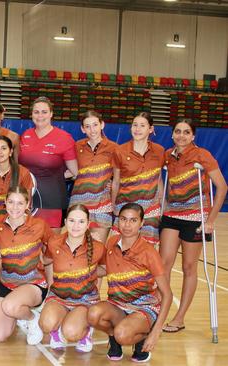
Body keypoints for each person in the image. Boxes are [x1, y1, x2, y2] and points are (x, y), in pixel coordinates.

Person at [159, 118, 227, 333]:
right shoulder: (168, 155)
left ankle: (179, 318)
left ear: (193, 136)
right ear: (172, 134)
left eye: (186, 132)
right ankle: (160, 309)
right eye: (177, 131)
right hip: (171, 215)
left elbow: (222, 187)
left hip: (196, 217)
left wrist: (210, 221)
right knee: (164, 264)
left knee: (189, 267)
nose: (181, 135)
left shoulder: (202, 155)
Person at [87, 203, 173, 362]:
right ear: (117, 221)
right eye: (123, 219)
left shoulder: (149, 252)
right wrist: (82, 262)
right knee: (93, 314)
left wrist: (156, 332)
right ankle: (114, 338)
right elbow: (105, 270)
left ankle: (142, 336)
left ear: (141, 223)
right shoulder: (112, 242)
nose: (127, 225)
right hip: (117, 304)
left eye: (133, 220)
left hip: (143, 307)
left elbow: (167, 295)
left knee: (123, 335)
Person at [0, 186, 53, 345]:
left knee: (9, 306)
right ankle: (21, 313)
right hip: (7, 284)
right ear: (5, 203)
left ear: (27, 205)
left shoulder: (39, 225)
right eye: (11, 202)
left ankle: (32, 319)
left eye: (20, 203)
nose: (15, 207)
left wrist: (52, 285)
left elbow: (53, 251)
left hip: (33, 284)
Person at [39, 204, 105, 352]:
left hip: (84, 299)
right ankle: (56, 333)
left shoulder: (98, 247)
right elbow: (46, 260)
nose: (76, 226)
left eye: (81, 222)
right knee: (45, 324)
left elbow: (106, 270)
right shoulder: (54, 242)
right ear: (65, 221)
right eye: (72, 221)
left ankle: (85, 333)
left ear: (88, 224)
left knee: (71, 332)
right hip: (59, 296)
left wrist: (86, 272)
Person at [19, 96, 78, 230]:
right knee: (27, 243)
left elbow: (74, 172)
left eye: (44, 112)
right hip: (26, 199)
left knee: (50, 245)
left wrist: (53, 177)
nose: (40, 116)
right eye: (36, 112)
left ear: (51, 114)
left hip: (51, 199)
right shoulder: (25, 135)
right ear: (31, 114)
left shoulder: (64, 138)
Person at [111, 112, 165, 245]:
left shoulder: (159, 151)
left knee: (146, 251)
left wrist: (162, 205)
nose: (137, 129)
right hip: (125, 207)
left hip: (151, 210)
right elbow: (116, 181)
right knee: (121, 248)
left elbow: (159, 181)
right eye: (135, 125)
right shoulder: (120, 150)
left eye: (142, 125)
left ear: (151, 129)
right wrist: (114, 206)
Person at [69, 110, 118, 243]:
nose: (92, 130)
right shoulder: (76, 146)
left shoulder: (114, 148)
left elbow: (120, 177)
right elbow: (71, 170)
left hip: (102, 205)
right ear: (82, 129)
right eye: (87, 126)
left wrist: (114, 202)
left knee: (97, 249)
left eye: (95, 125)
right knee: (78, 247)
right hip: (78, 204)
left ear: (102, 125)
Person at [0, 135, 33, 219]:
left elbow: (27, 202)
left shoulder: (23, 172)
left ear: (10, 152)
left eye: (4, 148)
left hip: (16, 216)